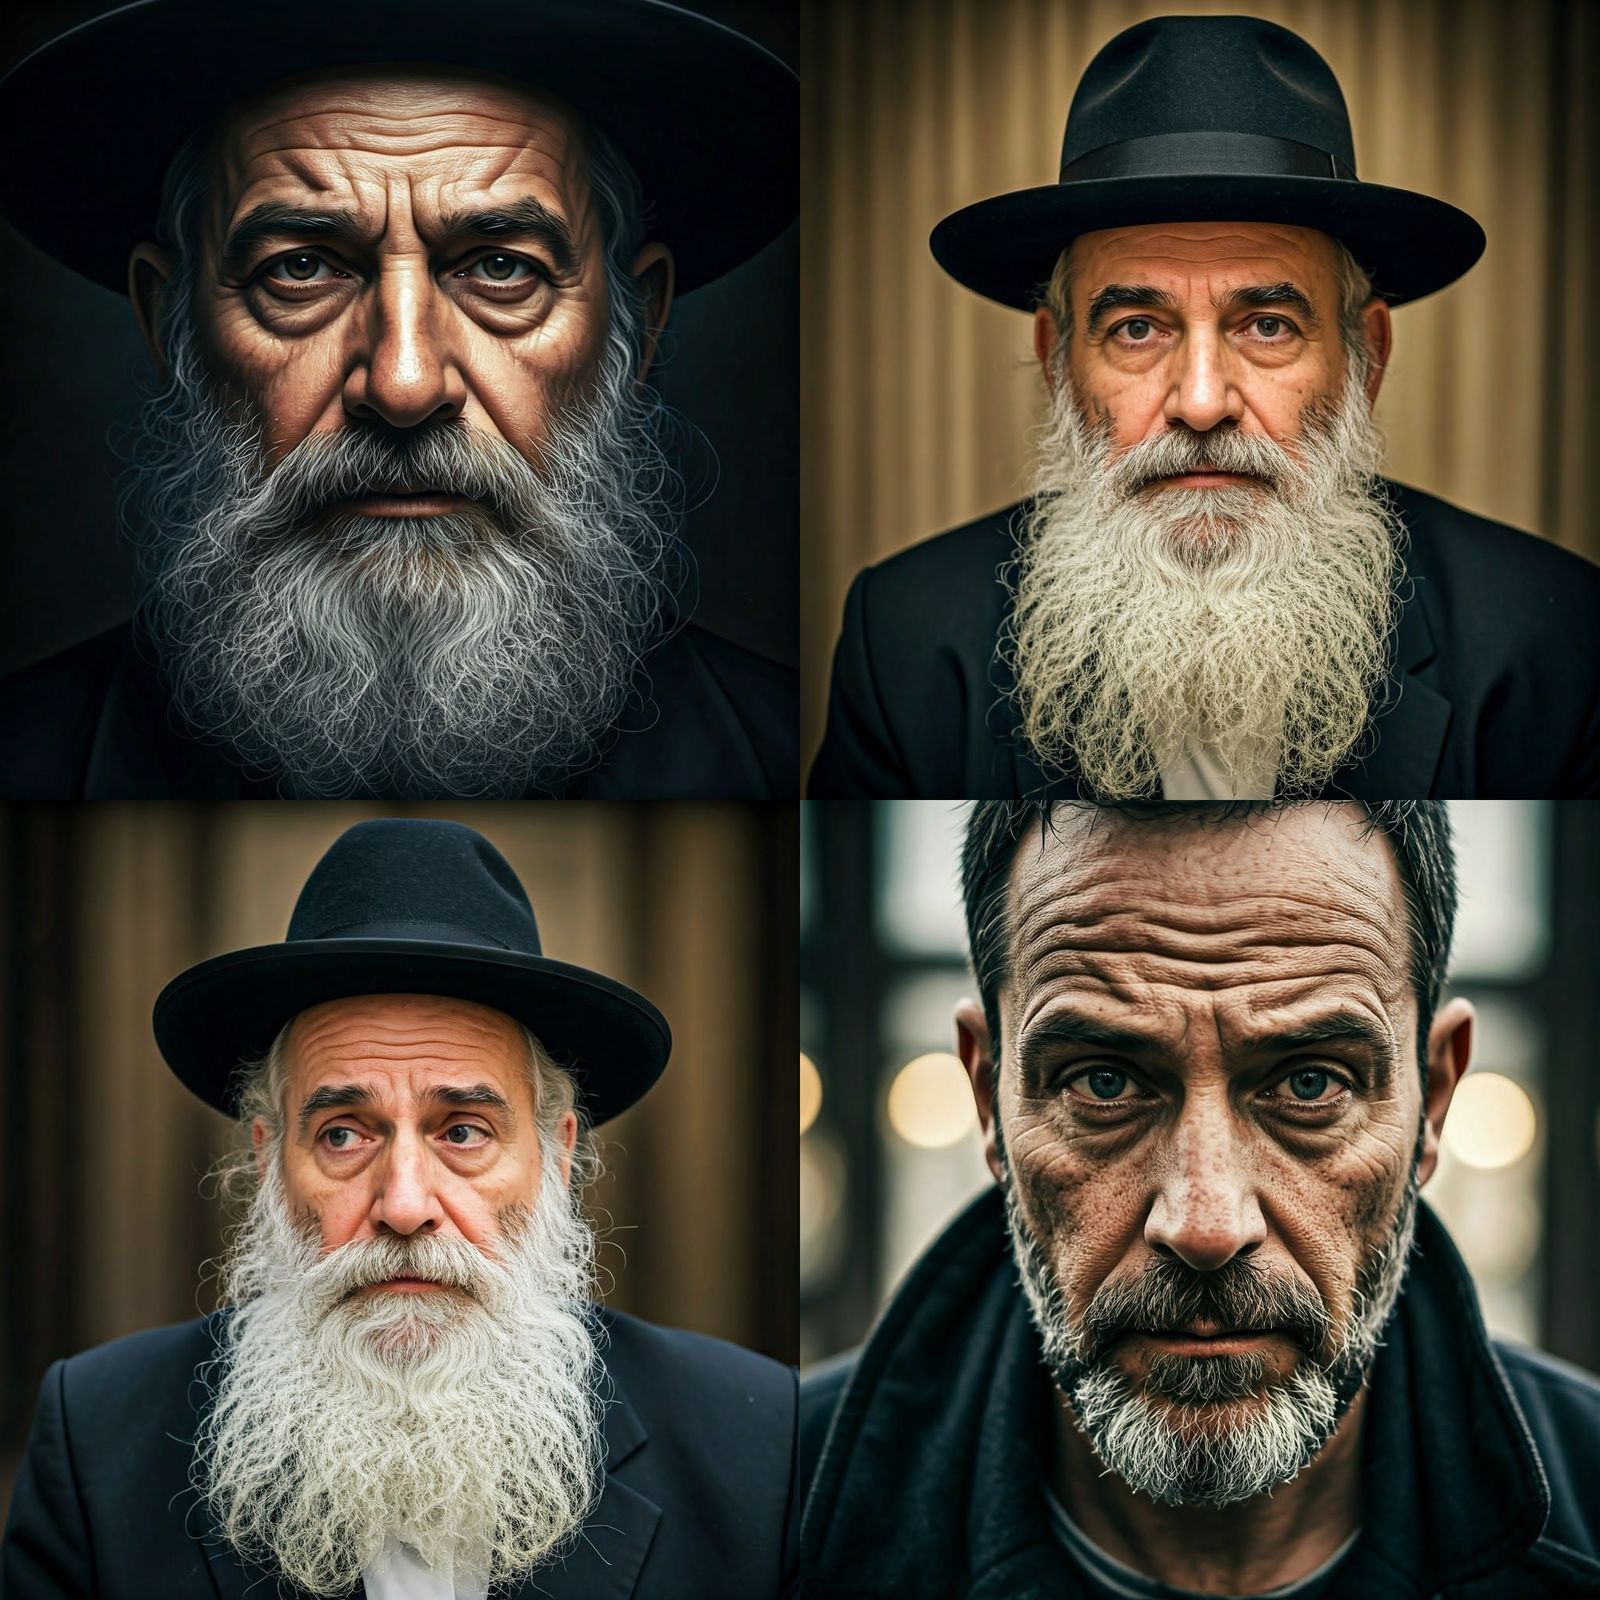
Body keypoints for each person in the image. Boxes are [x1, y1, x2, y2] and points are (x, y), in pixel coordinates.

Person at [800, 801, 1600, 1598]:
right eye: (1103, 1083)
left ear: (1433, 1098)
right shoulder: (773, 1510)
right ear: (988, 1099)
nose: (1206, 1226)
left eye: (1310, 1083)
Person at [0, 0, 797, 800]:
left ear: (639, 326)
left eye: (501, 268)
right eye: (301, 268)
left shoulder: (787, 751)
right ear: (167, 326)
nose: (404, 385)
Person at [809, 14, 1600, 801]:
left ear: (1368, 358)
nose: (1199, 402)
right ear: (1056, 363)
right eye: (1137, 328)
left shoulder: (1554, 637)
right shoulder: (906, 639)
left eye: (1267, 325)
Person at [3, 818, 797, 1599]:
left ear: (556, 1158)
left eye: (463, 1131)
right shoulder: (96, 1442)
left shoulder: (756, 1440)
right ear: (269, 1161)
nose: (406, 1205)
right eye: (344, 1134)